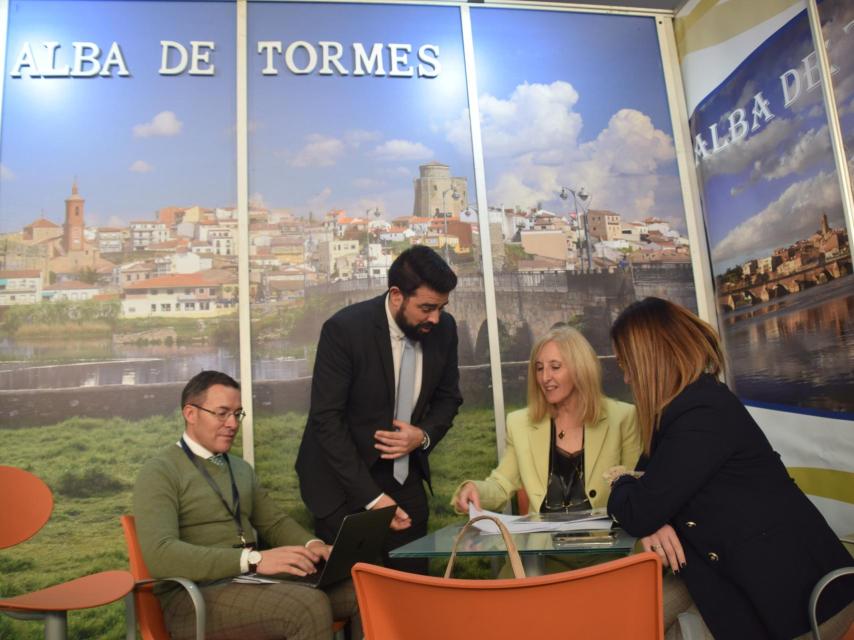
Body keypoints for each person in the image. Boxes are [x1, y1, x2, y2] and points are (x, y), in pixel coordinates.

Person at [607, 297, 853, 640]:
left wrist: (628, 491)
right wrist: (653, 518)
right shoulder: (685, 411)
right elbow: (646, 496)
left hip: (800, 602)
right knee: (628, 621)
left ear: (649, 360)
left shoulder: (701, 414)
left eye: (627, 365)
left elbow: (639, 506)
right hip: (733, 575)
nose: (626, 377)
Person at [133, 371, 359, 640]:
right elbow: (161, 555)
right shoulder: (160, 471)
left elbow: (274, 522)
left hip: (249, 582)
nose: (232, 424)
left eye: (237, 414)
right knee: (307, 607)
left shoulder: (240, 469)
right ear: (190, 413)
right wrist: (253, 560)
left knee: (362, 589)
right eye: (222, 413)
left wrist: (313, 545)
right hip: (193, 599)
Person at [296, 245, 462, 573]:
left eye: (442, 307)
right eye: (427, 308)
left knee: (412, 588)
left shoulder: (444, 329)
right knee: (347, 590)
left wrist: (422, 436)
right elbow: (326, 419)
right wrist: (372, 498)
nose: (435, 318)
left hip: (404, 477)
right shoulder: (344, 329)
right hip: (341, 482)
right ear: (397, 295)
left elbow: (448, 399)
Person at [452, 325, 641, 518]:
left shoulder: (623, 418)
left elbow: (637, 489)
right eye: (539, 368)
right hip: (543, 537)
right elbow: (502, 484)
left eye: (555, 367)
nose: (544, 378)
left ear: (581, 369)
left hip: (606, 536)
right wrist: (474, 489)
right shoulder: (519, 424)